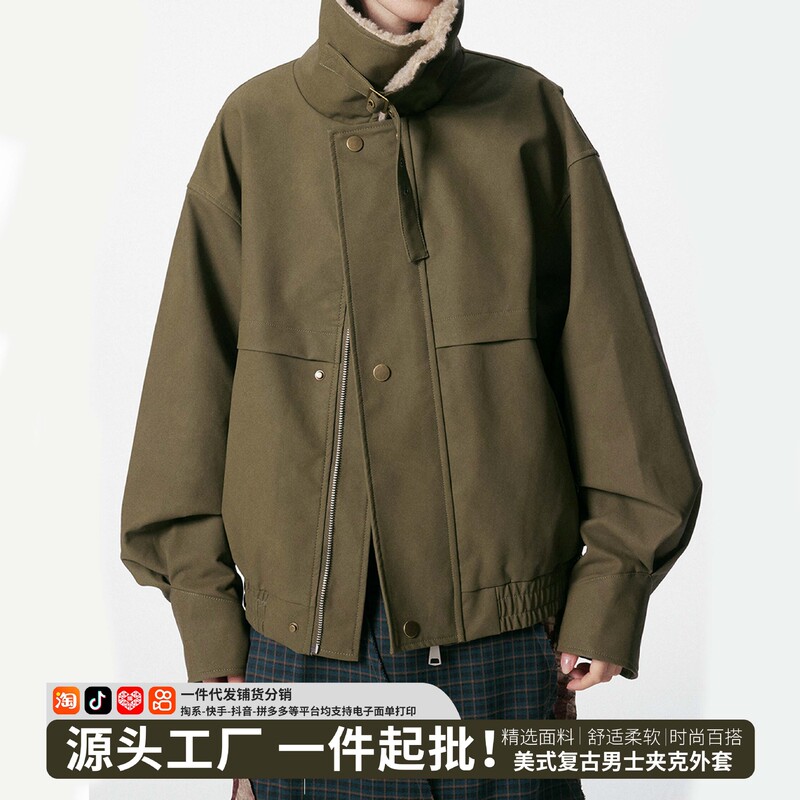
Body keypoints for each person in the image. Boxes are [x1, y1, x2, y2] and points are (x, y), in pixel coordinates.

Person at [120, 1, 702, 798]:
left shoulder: (529, 115)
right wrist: (208, 621)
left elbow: (616, 375)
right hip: (301, 658)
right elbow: (188, 387)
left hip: (503, 655)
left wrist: (611, 590)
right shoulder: (254, 126)